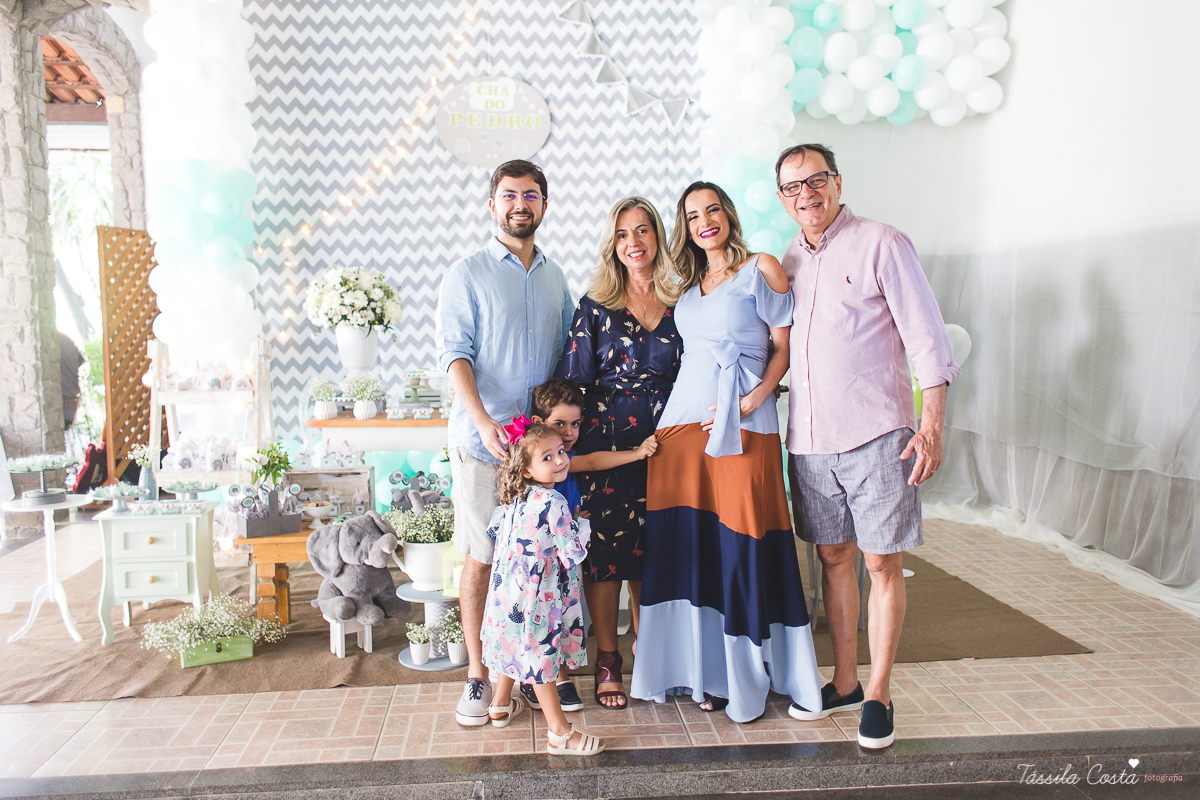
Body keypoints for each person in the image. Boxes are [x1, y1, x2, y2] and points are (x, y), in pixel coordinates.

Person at [774, 144, 960, 749]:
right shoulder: (786, 263)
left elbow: (926, 336)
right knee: (832, 559)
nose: (806, 193)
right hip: (808, 439)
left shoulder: (882, 242)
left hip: (878, 435)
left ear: (836, 182)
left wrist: (930, 422)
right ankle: (846, 681)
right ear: (782, 198)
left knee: (880, 562)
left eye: (816, 180)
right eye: (793, 186)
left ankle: (879, 692)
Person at [629, 182, 822, 723]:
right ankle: (701, 671)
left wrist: (752, 399)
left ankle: (747, 673)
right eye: (692, 216)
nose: (704, 221)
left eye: (712, 209)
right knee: (691, 550)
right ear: (685, 229)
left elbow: (783, 349)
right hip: (679, 434)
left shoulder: (762, 268)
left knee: (743, 547)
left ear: (728, 215)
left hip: (743, 426)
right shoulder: (688, 289)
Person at [436, 160, 575, 727]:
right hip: (483, 444)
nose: (521, 204)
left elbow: (568, 353)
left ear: (544, 205)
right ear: (492, 204)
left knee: (535, 563)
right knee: (484, 556)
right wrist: (483, 418)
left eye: (532, 195)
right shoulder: (465, 274)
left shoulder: (554, 277)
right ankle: (478, 675)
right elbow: (455, 355)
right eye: (510, 195)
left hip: (538, 453)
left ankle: (531, 674)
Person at [553, 196, 683, 709]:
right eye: (624, 233)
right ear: (613, 243)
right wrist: (556, 448)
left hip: (670, 446)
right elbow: (573, 383)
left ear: (658, 237)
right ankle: (608, 660)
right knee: (606, 561)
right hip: (606, 448)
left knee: (656, 558)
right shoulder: (596, 305)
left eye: (644, 231)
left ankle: (653, 657)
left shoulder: (682, 300)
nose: (634, 242)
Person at [481, 418, 605, 756]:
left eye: (561, 452)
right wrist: (583, 524)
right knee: (541, 657)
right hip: (539, 595)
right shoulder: (554, 503)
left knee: (516, 644)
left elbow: (495, 533)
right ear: (526, 469)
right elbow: (573, 552)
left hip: (508, 591)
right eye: (547, 457)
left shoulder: (511, 500)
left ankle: (500, 704)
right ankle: (559, 732)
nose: (561, 460)